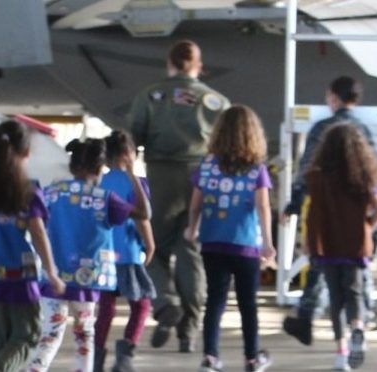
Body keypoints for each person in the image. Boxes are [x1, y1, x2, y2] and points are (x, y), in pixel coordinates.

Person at [127, 40, 230, 352]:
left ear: (169, 64)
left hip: (160, 176)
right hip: (203, 178)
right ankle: (190, 329)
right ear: (199, 65)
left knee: (150, 247)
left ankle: (166, 303)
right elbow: (229, 144)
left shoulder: (150, 95)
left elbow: (133, 139)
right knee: (191, 250)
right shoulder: (216, 101)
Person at [283, 76, 377, 347]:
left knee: (323, 267)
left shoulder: (323, 129)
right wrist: (372, 226)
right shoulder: (369, 132)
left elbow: (306, 171)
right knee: (355, 275)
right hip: (360, 219)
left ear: (333, 97)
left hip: (327, 217)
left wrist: (293, 204)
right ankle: (361, 320)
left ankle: (309, 318)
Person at [32, 139, 149, 372]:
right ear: (100, 168)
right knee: (84, 336)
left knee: (50, 334)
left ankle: (34, 369)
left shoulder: (51, 193)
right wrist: (131, 175)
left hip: (53, 276)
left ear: (73, 167)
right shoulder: (105, 199)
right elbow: (144, 213)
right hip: (87, 280)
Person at [0, 121, 66, 372]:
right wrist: (52, 272)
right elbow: (38, 231)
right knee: (28, 337)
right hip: (20, 280)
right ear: (26, 152)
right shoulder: (29, 190)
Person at [184, 105, 275, 372]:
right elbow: (263, 208)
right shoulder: (257, 170)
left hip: (213, 243)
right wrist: (268, 243)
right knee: (248, 304)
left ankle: (210, 358)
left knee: (215, 301)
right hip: (246, 245)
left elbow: (195, 205)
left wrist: (192, 228)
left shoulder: (207, 166)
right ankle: (251, 358)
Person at [300, 125, 377, 371]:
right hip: (356, 243)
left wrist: (310, 240)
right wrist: (367, 227)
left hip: (327, 243)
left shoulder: (316, 177)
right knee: (355, 292)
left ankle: (341, 353)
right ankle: (358, 328)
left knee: (335, 297)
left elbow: (313, 213)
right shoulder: (363, 177)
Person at [95, 131, 156, 372]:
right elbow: (142, 219)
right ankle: (125, 354)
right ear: (128, 153)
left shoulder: (99, 181)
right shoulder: (136, 183)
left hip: (103, 253)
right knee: (141, 305)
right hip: (128, 253)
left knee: (106, 309)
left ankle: (96, 357)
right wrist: (150, 244)